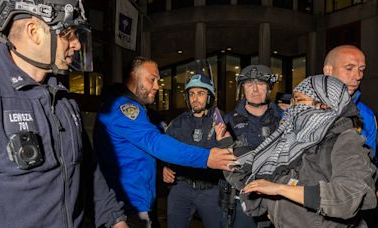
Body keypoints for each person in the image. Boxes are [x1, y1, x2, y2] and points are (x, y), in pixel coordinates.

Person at [0, 0, 127, 227]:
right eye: (68, 33)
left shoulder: (64, 98)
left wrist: (115, 219)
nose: (77, 44)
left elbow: (88, 169)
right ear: (34, 32)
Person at [93, 56, 236, 227]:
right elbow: (156, 143)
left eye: (201, 93)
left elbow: (144, 151)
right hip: (128, 207)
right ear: (133, 76)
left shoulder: (218, 119)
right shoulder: (124, 109)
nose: (157, 86)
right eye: (152, 79)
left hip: (148, 202)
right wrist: (206, 157)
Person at [225, 75, 377, 227]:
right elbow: (260, 172)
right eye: (293, 101)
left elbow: (347, 197)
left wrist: (280, 189)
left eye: (298, 100)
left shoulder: (346, 141)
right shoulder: (294, 140)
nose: (292, 108)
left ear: (324, 105)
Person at [220, 65, 282, 228]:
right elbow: (221, 161)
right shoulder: (228, 121)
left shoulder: (285, 119)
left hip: (279, 200)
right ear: (242, 89)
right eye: (249, 84)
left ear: (269, 88)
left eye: (261, 84)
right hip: (242, 201)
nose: (255, 89)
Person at [162, 73, 223, 228]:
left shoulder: (221, 121)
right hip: (181, 188)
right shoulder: (177, 123)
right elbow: (163, 149)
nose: (195, 98)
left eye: (200, 94)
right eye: (192, 94)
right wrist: (164, 167)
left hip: (210, 189)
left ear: (209, 97)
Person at [323, 45, 377, 163]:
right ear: (328, 71)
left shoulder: (366, 115)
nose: (358, 76)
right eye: (349, 68)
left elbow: (370, 163)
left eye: (361, 69)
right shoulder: (303, 106)